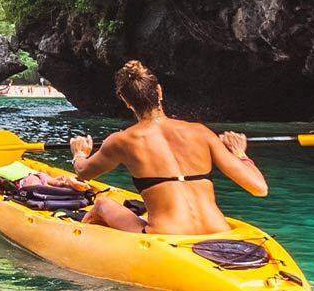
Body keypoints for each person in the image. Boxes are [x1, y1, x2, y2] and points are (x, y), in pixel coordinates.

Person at [66, 59, 267, 234]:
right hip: (218, 229)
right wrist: (240, 153)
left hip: (166, 233)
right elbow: (259, 189)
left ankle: (79, 240)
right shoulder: (201, 132)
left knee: (101, 204)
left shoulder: (122, 141)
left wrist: (80, 154)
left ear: (126, 101)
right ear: (159, 91)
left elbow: (83, 173)